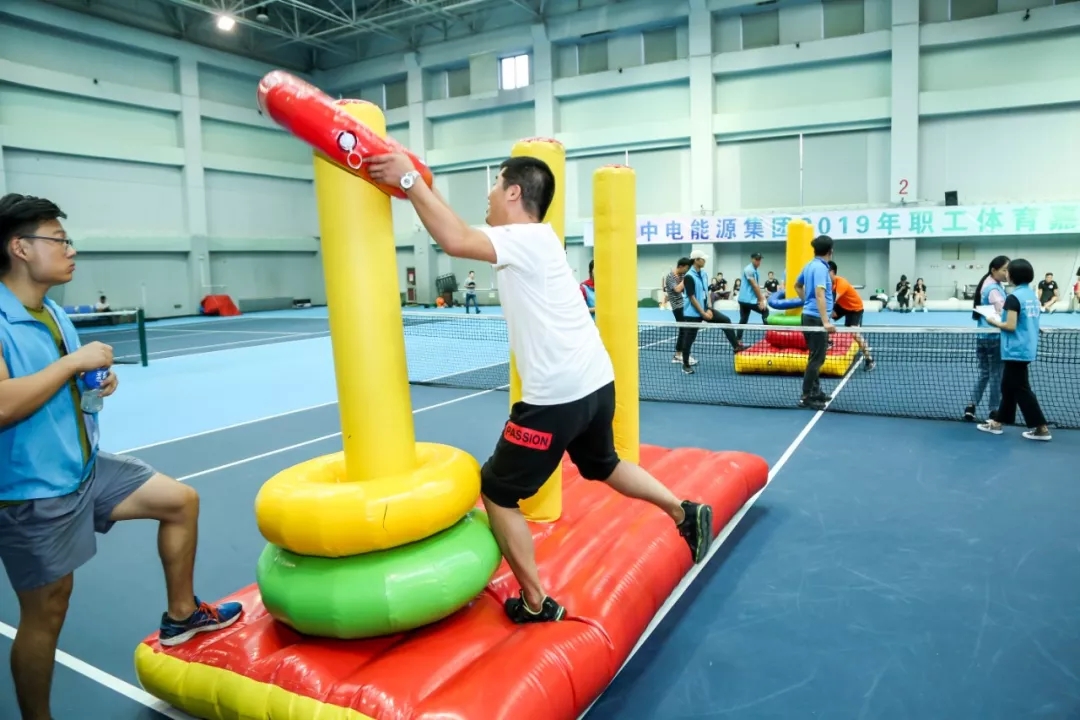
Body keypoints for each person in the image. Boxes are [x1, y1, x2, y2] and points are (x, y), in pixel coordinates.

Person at [367, 153, 714, 623]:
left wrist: (409, 182)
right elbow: (460, 229)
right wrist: (422, 188)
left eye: (495, 184)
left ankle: (535, 602)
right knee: (603, 464)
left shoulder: (523, 239)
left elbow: (454, 239)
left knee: (496, 489)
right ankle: (683, 511)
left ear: (514, 192)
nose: (488, 194)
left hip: (557, 396)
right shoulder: (536, 239)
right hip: (595, 382)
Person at [0, 193, 242, 720]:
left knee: (180, 501)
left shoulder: (52, 310)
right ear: (20, 248)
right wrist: (71, 367)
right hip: (32, 489)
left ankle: (181, 615)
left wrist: (95, 381)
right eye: (58, 240)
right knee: (47, 613)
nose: (71, 250)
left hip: (85, 466)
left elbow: (64, 382)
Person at [977, 258, 1052, 441]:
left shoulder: (1013, 298)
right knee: (1008, 387)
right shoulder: (1031, 296)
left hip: (1015, 350)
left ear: (1012, 276)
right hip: (1027, 347)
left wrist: (993, 321)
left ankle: (1041, 428)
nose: (1006, 274)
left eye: (1008, 271)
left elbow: (1010, 326)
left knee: (1021, 389)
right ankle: (997, 423)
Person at [964, 255, 1009, 423]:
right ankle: (994, 411)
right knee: (996, 375)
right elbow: (1003, 313)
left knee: (984, 374)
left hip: (982, 336)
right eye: (1004, 270)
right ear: (994, 270)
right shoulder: (993, 289)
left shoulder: (987, 283)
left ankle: (971, 407)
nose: (1007, 273)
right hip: (994, 338)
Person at [793, 235, 835, 410]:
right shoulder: (820, 268)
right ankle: (806, 396)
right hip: (816, 319)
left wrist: (806, 302)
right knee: (817, 359)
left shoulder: (810, 265)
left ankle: (815, 392)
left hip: (808, 316)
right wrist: (826, 321)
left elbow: (797, 285)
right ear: (830, 251)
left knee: (814, 356)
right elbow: (819, 294)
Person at [827, 261, 874, 371]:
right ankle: (829, 341)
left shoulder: (841, 283)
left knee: (854, 333)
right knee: (824, 316)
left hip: (855, 308)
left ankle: (869, 359)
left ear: (832, 272)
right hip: (842, 305)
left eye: (826, 272)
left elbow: (832, 301)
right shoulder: (826, 283)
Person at [663, 257, 695, 365]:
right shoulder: (670, 277)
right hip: (677, 307)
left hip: (685, 305)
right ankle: (680, 355)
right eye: (686, 268)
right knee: (684, 330)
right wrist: (687, 279)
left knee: (684, 330)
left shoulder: (682, 275)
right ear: (681, 266)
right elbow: (677, 289)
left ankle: (679, 354)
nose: (687, 270)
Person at [735, 252, 768, 340]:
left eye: (759, 259)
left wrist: (761, 296)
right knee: (765, 311)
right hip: (748, 300)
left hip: (743, 300)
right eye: (756, 259)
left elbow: (756, 286)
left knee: (744, 319)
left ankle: (738, 340)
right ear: (752, 259)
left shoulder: (755, 270)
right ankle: (769, 334)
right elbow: (754, 286)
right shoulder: (749, 269)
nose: (758, 261)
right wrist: (760, 300)